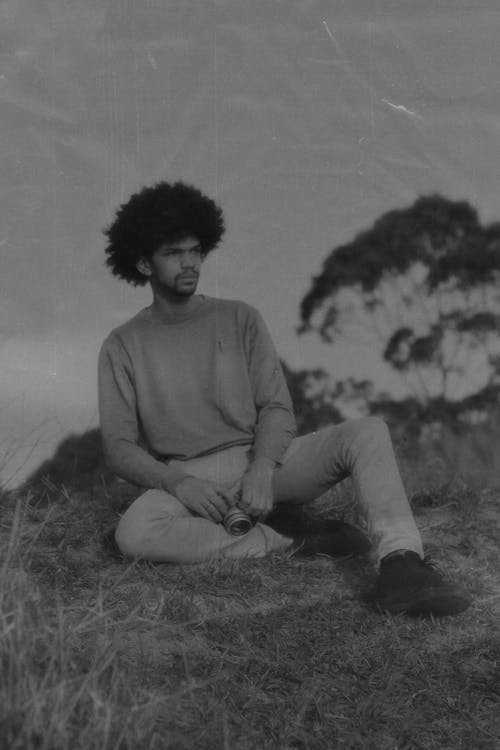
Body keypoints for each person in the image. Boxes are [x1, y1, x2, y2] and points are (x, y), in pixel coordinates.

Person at [98, 180, 471, 618]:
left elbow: (276, 407)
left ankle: (402, 563)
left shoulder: (240, 318)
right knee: (133, 534)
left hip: (265, 463)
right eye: (173, 253)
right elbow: (119, 448)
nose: (190, 263)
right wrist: (179, 483)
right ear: (142, 263)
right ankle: (291, 538)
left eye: (196, 250)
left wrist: (261, 467)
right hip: (189, 481)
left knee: (367, 431)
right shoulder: (122, 345)